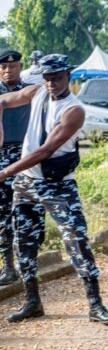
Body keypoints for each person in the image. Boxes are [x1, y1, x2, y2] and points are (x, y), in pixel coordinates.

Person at [0, 54, 108, 324]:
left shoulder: (73, 110)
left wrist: (5, 172)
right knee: (24, 244)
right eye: (47, 77)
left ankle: (95, 304)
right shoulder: (37, 92)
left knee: (76, 241)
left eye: (57, 77)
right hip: (27, 184)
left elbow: (46, 150)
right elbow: (4, 100)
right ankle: (32, 302)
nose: (51, 82)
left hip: (57, 186)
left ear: (69, 77)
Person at [0, 50, 32, 286]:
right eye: (4, 67)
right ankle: (8, 267)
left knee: (27, 212)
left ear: (20, 67)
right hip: (1, 157)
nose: (8, 70)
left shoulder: (31, 91)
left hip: (26, 157)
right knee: (2, 215)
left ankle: (28, 264)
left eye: (13, 67)